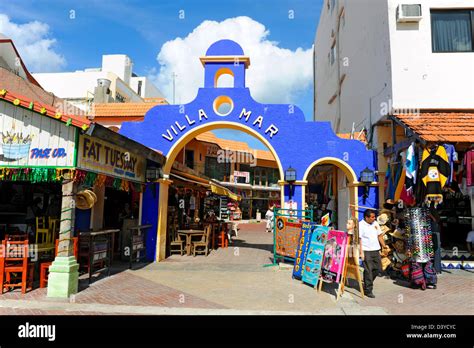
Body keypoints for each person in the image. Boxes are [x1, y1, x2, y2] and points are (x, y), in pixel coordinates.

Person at [358, 209, 389, 298]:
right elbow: (359, 239)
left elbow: (379, 235)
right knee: (368, 270)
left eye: (374, 217)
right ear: (366, 217)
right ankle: (368, 290)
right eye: (372, 217)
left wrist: (384, 246)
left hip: (376, 250)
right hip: (366, 250)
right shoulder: (361, 225)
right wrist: (361, 252)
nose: (374, 218)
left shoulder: (375, 223)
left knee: (377, 269)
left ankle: (367, 283)